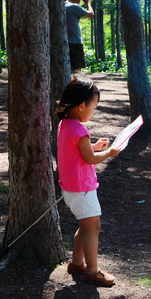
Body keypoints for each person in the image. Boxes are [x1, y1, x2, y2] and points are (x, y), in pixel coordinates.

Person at [56, 77, 120, 286]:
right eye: (94, 107)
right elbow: (89, 159)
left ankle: (76, 263)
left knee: (85, 226)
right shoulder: (81, 130)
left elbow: (79, 152)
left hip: (71, 188)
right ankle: (92, 272)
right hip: (82, 188)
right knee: (93, 228)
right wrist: (109, 153)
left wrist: (95, 147)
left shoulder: (65, 125)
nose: (93, 111)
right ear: (82, 106)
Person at [65, 0, 94, 73]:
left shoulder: (61, 6)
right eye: (79, 0)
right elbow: (91, 14)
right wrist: (87, 3)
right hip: (75, 42)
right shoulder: (74, 7)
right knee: (77, 70)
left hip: (64, 43)